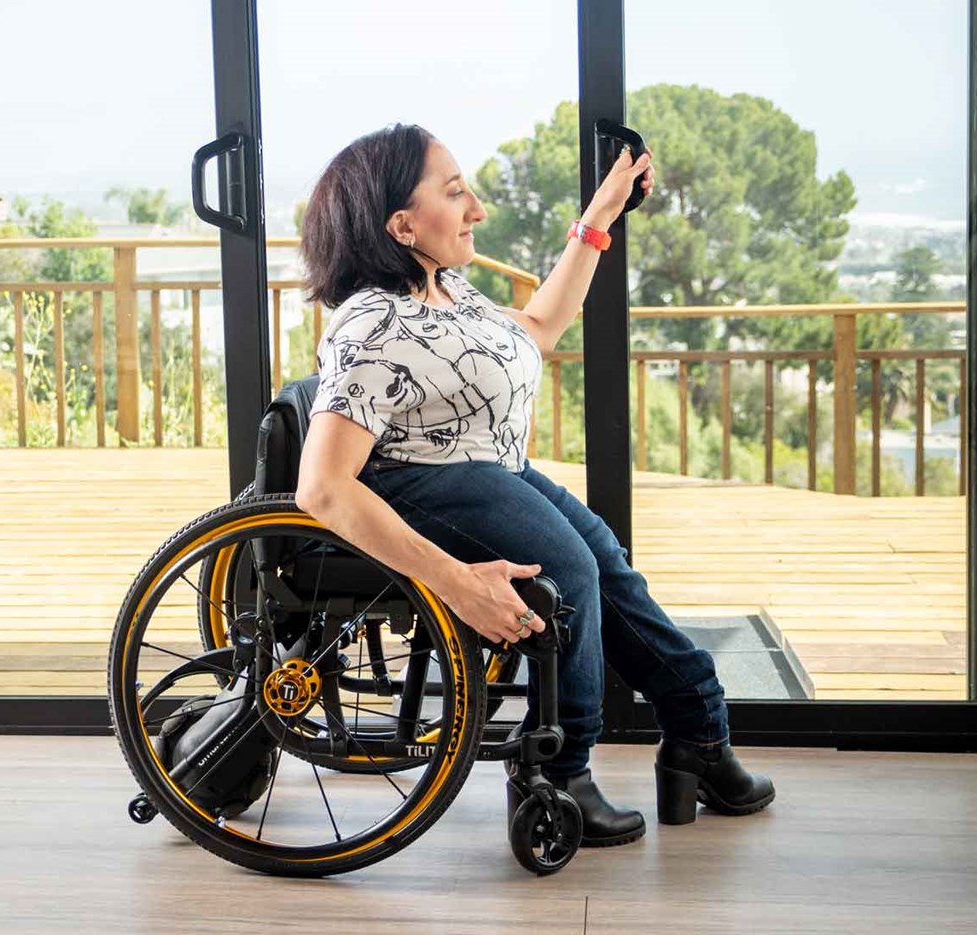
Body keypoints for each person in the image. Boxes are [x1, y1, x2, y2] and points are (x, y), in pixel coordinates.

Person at [293, 123, 774, 843]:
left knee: (605, 563)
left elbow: (538, 328)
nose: (476, 208)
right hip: (425, 481)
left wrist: (598, 219)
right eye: (454, 192)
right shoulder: (372, 324)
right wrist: (456, 581)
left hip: (491, 470)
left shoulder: (443, 288)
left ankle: (698, 733)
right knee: (572, 574)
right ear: (401, 224)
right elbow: (323, 487)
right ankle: (558, 773)